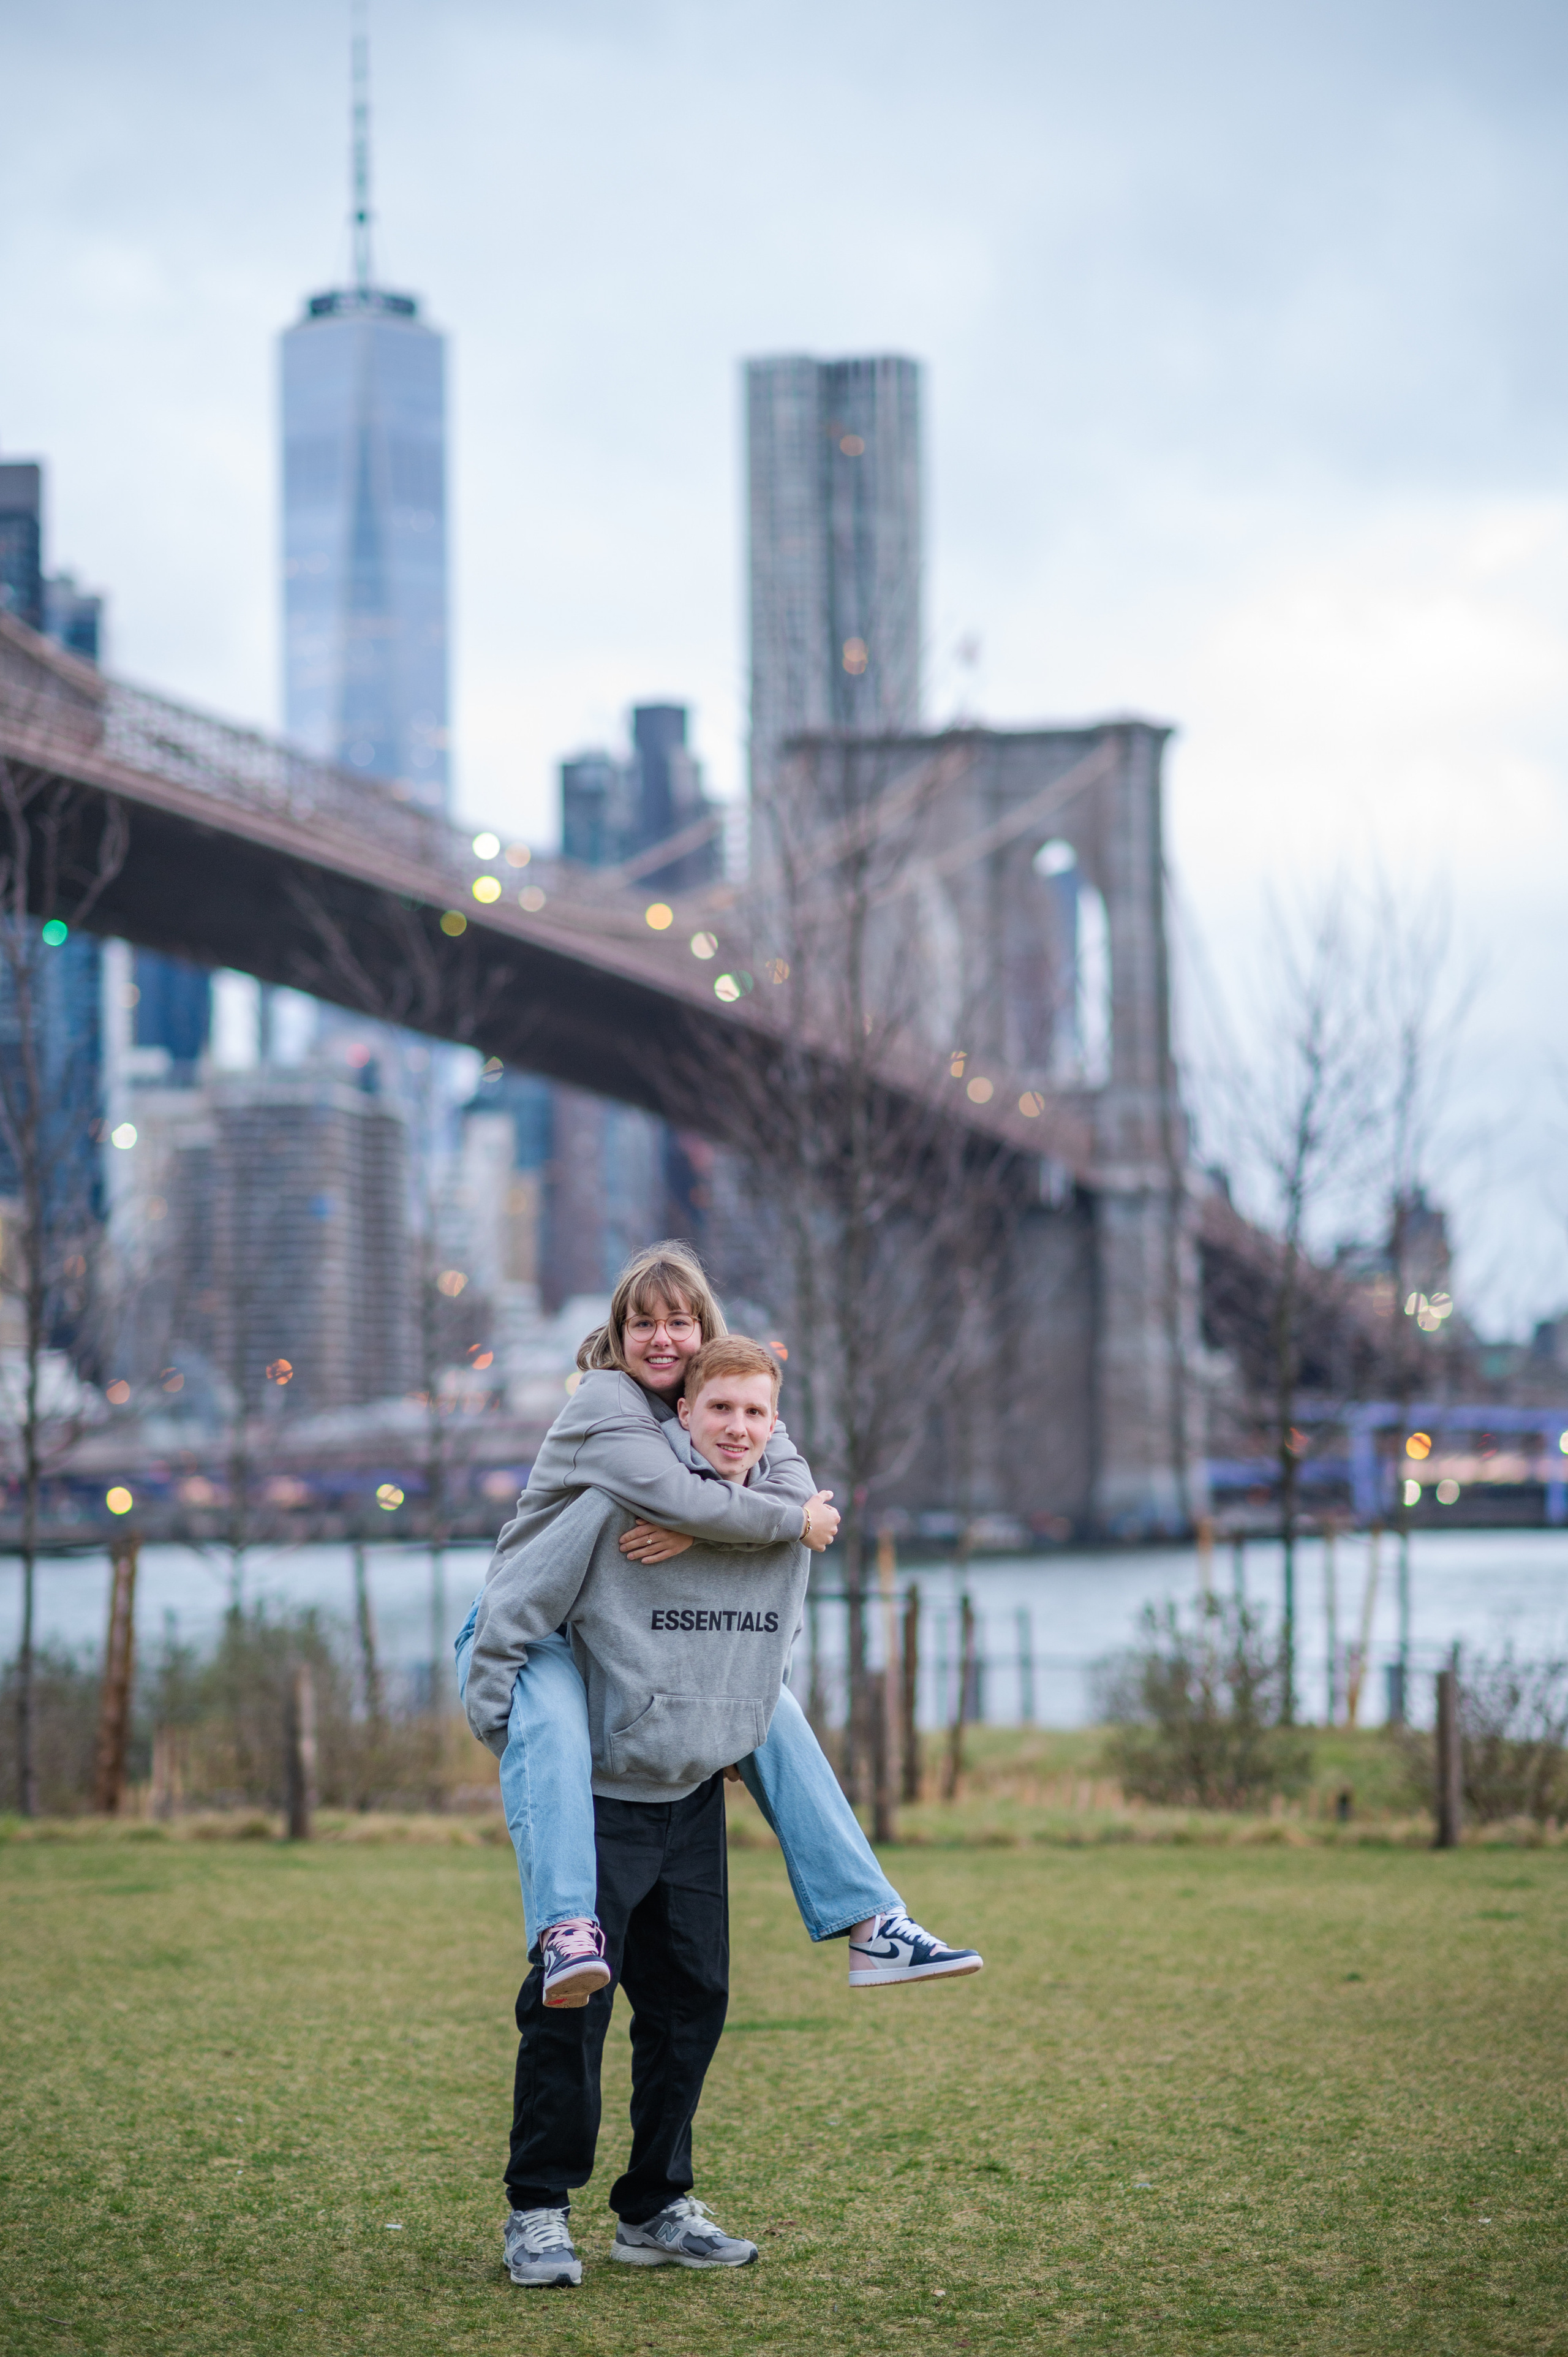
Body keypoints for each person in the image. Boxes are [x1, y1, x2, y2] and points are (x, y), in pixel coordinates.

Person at [457, 1241, 980, 2015]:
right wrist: (742, 1522)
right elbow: (712, 1504)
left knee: (776, 1706)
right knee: (559, 1730)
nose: (661, 1339)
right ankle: (568, 1927)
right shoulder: (605, 1402)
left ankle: (874, 1922)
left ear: (705, 1330)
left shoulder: (718, 1401)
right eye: (642, 1323)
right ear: (618, 1332)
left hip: (615, 1632)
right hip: (534, 1630)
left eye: (679, 1321)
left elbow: (793, 1490)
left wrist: (724, 1531)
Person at [475, 1335, 819, 2285]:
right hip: (597, 1795)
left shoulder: (775, 1516)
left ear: (773, 1422)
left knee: (691, 2003)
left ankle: (656, 2206)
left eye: (757, 1413)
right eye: (721, 1411)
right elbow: (522, 1596)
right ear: (683, 1416)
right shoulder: (611, 1498)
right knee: (568, 2004)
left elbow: (769, 1636)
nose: (739, 1427)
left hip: (692, 1796)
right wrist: (492, 1702)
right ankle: (538, 2210)